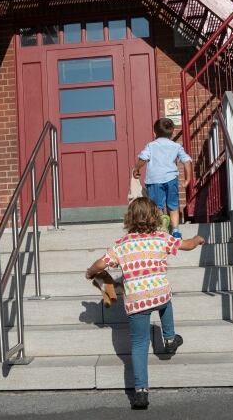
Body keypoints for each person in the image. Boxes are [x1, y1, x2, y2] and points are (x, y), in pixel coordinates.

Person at [85, 197, 205, 410]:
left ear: (129, 219)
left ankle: (140, 392)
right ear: (155, 217)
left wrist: (91, 272)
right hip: (159, 295)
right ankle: (169, 338)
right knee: (166, 301)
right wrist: (196, 239)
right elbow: (186, 245)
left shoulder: (121, 245)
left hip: (137, 302)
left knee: (139, 345)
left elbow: (101, 264)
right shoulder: (162, 237)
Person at [132, 118, 192, 239]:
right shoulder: (176, 146)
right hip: (171, 179)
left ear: (154, 133)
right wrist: (187, 178)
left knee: (157, 206)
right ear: (172, 132)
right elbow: (186, 161)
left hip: (154, 180)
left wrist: (136, 169)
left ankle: (161, 228)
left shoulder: (151, 145)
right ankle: (175, 231)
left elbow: (143, 158)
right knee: (173, 206)